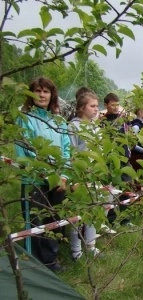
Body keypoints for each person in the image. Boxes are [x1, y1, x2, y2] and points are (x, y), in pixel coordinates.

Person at [15, 77, 70, 272]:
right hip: (34, 180)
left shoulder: (60, 121)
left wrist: (64, 177)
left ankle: (51, 259)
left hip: (58, 181)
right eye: (37, 91)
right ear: (31, 94)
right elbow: (27, 151)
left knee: (54, 220)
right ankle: (37, 264)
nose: (41, 95)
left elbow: (66, 151)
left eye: (46, 91)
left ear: (52, 95)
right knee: (36, 222)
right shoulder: (24, 119)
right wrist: (50, 176)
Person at [68, 92, 102, 261]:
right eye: (92, 106)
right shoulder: (73, 126)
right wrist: (75, 178)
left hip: (94, 174)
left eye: (97, 106)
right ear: (82, 107)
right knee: (77, 213)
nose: (96, 109)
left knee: (93, 210)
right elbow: (71, 152)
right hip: (80, 175)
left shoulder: (95, 126)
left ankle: (91, 246)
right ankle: (76, 251)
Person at [100, 93, 133, 226]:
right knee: (110, 191)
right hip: (110, 161)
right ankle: (111, 218)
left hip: (124, 159)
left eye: (117, 104)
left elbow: (129, 136)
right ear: (106, 105)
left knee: (127, 188)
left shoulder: (123, 120)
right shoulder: (103, 122)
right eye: (112, 104)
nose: (115, 107)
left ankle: (125, 218)